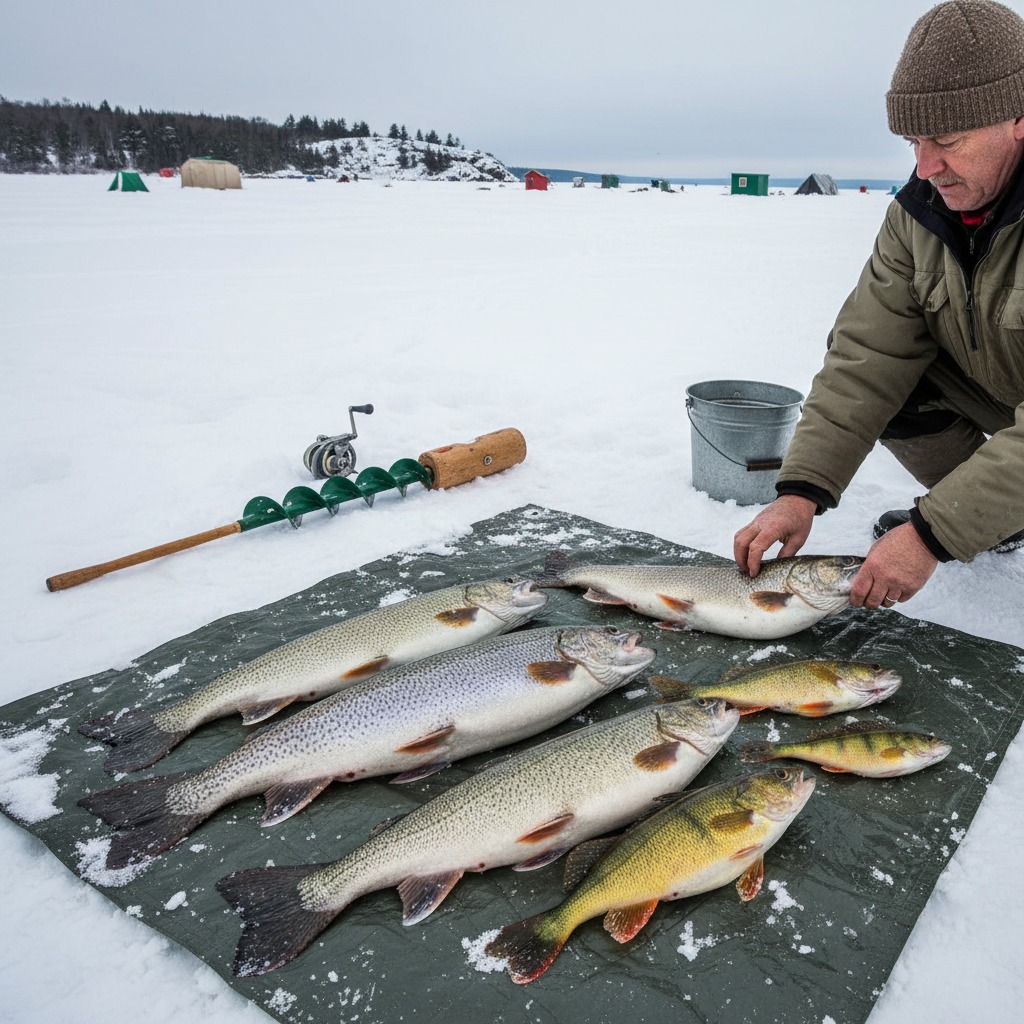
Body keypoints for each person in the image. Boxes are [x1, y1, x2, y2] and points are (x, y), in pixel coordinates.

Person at [734, 0, 1024, 611]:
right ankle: (1006, 514)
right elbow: (868, 355)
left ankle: (986, 509)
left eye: (948, 140)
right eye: (914, 140)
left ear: (1018, 118)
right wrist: (803, 489)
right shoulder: (919, 215)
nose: (925, 167)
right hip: (1007, 393)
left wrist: (931, 533)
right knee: (898, 380)